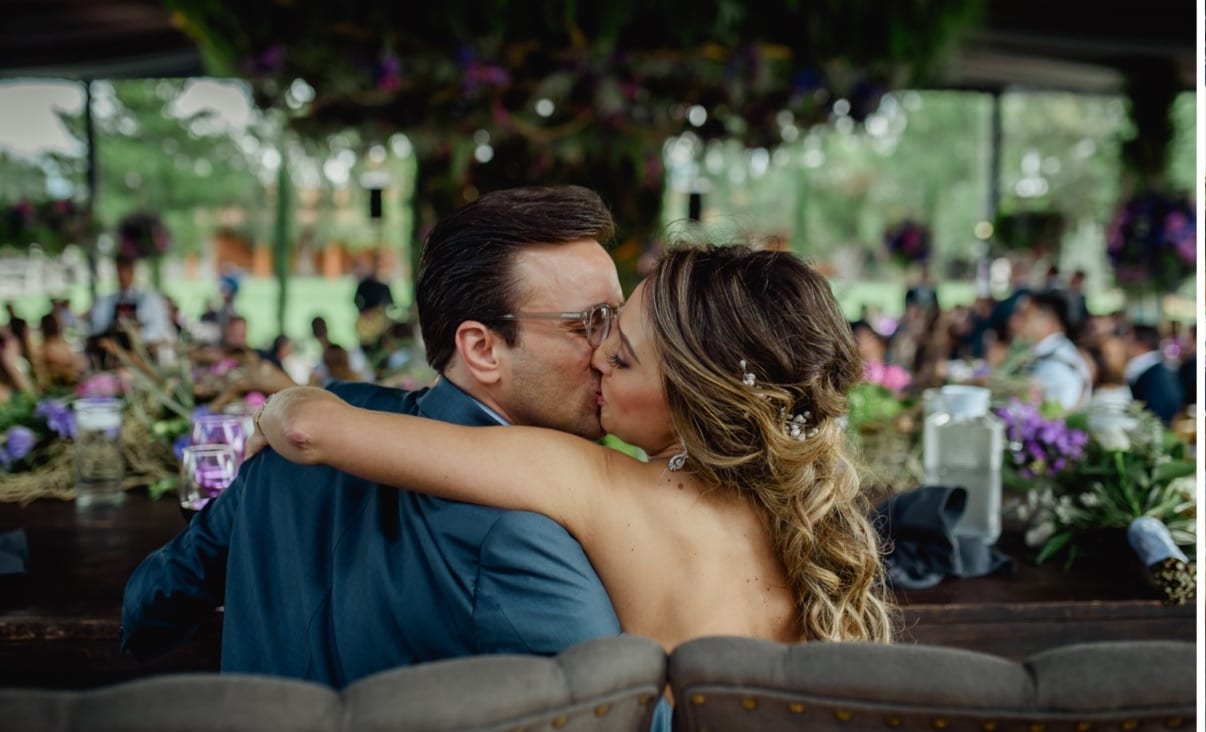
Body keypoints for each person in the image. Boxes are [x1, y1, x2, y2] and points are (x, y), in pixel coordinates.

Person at [257, 243, 891, 649]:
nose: (599, 358)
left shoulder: (594, 481)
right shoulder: (810, 523)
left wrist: (277, 400)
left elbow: (309, 431)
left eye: (624, 356)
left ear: (691, 398)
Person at [123, 186, 626, 689]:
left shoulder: (309, 427)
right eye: (594, 323)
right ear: (482, 349)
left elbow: (148, 611)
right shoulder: (522, 533)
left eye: (619, 320)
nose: (615, 352)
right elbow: (629, 711)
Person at [1008, 289, 1090, 409]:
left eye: (1023, 316)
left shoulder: (1054, 368)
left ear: (1049, 321)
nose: (1013, 321)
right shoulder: (1057, 352)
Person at [89, 253, 173, 346]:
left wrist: (139, 336)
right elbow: (98, 328)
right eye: (120, 272)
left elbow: (158, 329)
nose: (123, 276)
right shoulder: (107, 301)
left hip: (141, 349)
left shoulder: (149, 299)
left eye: (126, 271)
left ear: (133, 272)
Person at [1122, 325, 1183, 423]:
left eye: (1127, 339)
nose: (1123, 344)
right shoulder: (1156, 369)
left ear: (1141, 344)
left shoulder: (1152, 375)